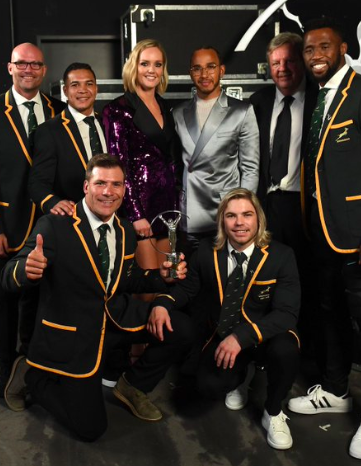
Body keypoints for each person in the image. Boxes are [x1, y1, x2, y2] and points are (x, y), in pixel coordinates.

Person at [1, 154, 194, 441]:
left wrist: (161, 278)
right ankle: (33, 378)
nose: (108, 191)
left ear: (124, 189)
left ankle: (131, 385)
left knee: (183, 329)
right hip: (72, 334)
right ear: (86, 187)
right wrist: (27, 270)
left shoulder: (125, 230)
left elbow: (126, 280)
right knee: (91, 429)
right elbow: (8, 275)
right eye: (100, 183)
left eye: (116, 184)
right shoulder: (54, 226)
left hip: (113, 320)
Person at [287, 17, 361, 460]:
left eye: (323, 47)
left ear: (342, 50)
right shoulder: (319, 98)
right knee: (329, 314)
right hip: (322, 234)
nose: (315, 54)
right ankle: (336, 390)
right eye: (309, 49)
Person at [150, 188, 300, 450]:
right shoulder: (208, 251)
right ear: (222, 222)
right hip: (225, 332)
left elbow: (286, 313)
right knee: (208, 387)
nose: (239, 222)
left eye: (247, 215)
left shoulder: (281, 255)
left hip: (264, 336)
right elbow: (187, 289)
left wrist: (242, 337)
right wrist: (162, 303)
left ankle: (273, 412)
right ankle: (242, 375)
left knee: (286, 348)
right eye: (231, 215)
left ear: (259, 220)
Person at [0, 43, 65, 397]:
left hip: (48, 225)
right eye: (21, 64)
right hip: (7, 225)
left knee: (41, 301)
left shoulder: (59, 110)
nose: (29, 69)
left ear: (44, 70)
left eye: (36, 64)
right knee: (5, 302)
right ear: (9, 68)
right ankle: (5, 367)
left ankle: (33, 367)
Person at [249, 32, 317, 352]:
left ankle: (298, 347)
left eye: (289, 60)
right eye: (275, 63)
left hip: (304, 205)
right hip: (266, 204)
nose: (283, 68)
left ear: (302, 61)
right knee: (263, 277)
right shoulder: (260, 101)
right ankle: (263, 347)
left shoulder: (321, 99)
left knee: (304, 277)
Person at [173, 46, 259, 255]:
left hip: (224, 210)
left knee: (224, 279)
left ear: (221, 70)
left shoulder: (241, 111)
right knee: (192, 277)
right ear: (190, 73)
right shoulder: (176, 113)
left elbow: (250, 168)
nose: (204, 75)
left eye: (210, 67)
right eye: (197, 68)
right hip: (190, 212)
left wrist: (242, 212)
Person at [103, 39, 179, 272]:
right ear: (133, 67)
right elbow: (119, 167)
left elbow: (171, 161)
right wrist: (135, 215)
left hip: (167, 207)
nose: (151, 70)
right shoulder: (117, 109)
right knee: (147, 285)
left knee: (170, 278)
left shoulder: (165, 106)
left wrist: (176, 206)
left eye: (158, 64)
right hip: (140, 207)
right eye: (144, 63)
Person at [28, 63, 106, 217]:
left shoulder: (109, 124)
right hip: (72, 220)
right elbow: (37, 183)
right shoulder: (49, 131)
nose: (83, 90)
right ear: (65, 90)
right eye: (75, 85)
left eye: (89, 84)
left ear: (96, 88)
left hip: (112, 217)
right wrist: (52, 202)